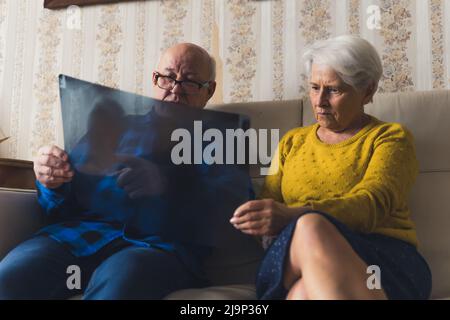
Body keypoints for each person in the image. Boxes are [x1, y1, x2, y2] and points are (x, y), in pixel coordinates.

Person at [0, 43, 220, 299]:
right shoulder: (113, 128)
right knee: (9, 279)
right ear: (154, 79)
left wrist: (166, 188)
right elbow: (59, 209)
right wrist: (52, 182)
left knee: (121, 280)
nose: (175, 89)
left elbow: (222, 220)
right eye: (168, 77)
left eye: (190, 82)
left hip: (156, 248)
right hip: (76, 239)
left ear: (210, 90)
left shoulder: (218, 143)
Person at [231, 35, 432, 300]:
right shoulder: (292, 142)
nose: (320, 101)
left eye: (334, 90)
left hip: (381, 263)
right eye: (314, 87)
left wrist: (296, 215)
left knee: (303, 289)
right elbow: (268, 211)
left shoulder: (390, 139)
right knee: (307, 230)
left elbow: (371, 204)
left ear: (368, 91)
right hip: (291, 258)